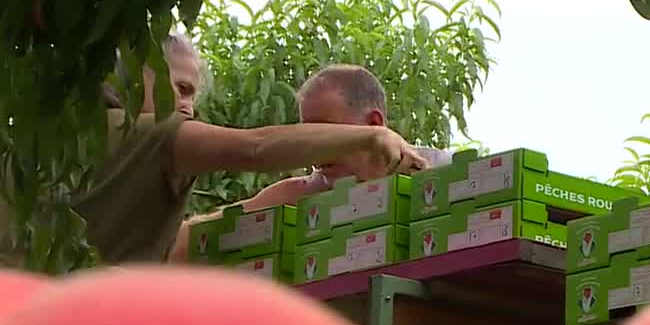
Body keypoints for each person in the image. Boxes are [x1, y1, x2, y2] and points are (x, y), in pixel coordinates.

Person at [0, 34, 427, 268]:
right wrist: (369, 141)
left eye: (192, 94)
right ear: (133, 73)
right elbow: (254, 147)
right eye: (180, 87)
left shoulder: (25, 151)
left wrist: (10, 274)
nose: (188, 105)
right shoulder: (158, 138)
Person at [166, 64, 451, 263]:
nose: (313, 150)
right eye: (307, 135)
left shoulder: (446, 176)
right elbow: (187, 242)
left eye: (326, 132)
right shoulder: (296, 196)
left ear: (374, 124)